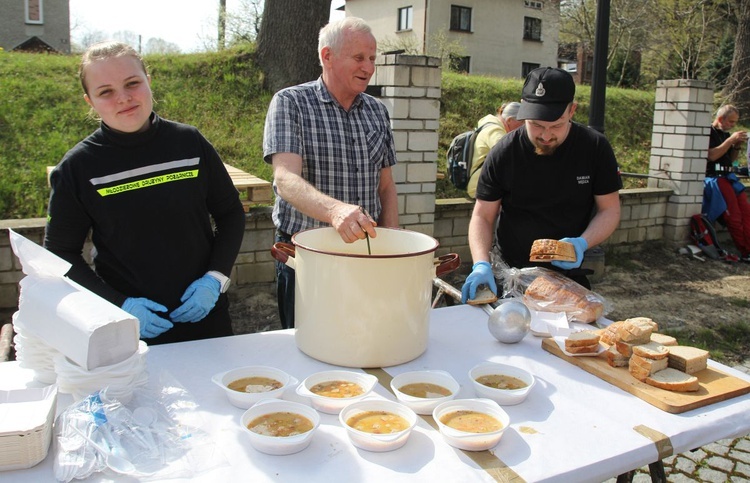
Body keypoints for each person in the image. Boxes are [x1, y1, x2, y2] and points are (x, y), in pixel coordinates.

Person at [44, 41, 246, 344]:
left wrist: (215, 279)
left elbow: (230, 213)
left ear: (148, 82)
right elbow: (60, 252)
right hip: (127, 328)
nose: (123, 98)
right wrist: (117, 303)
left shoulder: (189, 143)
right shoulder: (78, 168)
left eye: (132, 83)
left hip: (205, 317)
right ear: (90, 101)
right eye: (106, 91)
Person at [263, 17, 399, 329]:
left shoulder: (378, 111)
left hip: (367, 256)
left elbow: (386, 187)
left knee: (366, 343)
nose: (368, 67)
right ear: (327, 56)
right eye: (359, 58)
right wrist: (335, 210)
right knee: (308, 351)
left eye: (372, 58)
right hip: (308, 258)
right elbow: (284, 179)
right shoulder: (291, 103)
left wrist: (394, 250)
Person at [461, 67, 622, 303]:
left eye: (556, 125)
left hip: (568, 276)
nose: (546, 136)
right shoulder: (504, 152)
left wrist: (582, 242)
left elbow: (610, 209)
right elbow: (483, 216)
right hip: (510, 275)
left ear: (572, 110)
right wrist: (481, 264)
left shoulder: (594, 148)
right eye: (536, 124)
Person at [703, 105, 750, 262]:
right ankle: (745, 250)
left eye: (735, 122)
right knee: (734, 216)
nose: (732, 125)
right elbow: (712, 156)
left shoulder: (726, 134)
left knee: (746, 212)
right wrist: (731, 140)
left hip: (729, 176)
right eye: (730, 121)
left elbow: (732, 159)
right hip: (715, 177)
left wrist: (736, 145)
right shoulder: (708, 132)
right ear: (720, 119)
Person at [466, 102, 523, 198]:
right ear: (510, 120)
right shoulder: (495, 131)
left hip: (485, 183)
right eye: (523, 123)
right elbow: (509, 156)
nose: (524, 128)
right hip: (481, 187)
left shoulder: (493, 127)